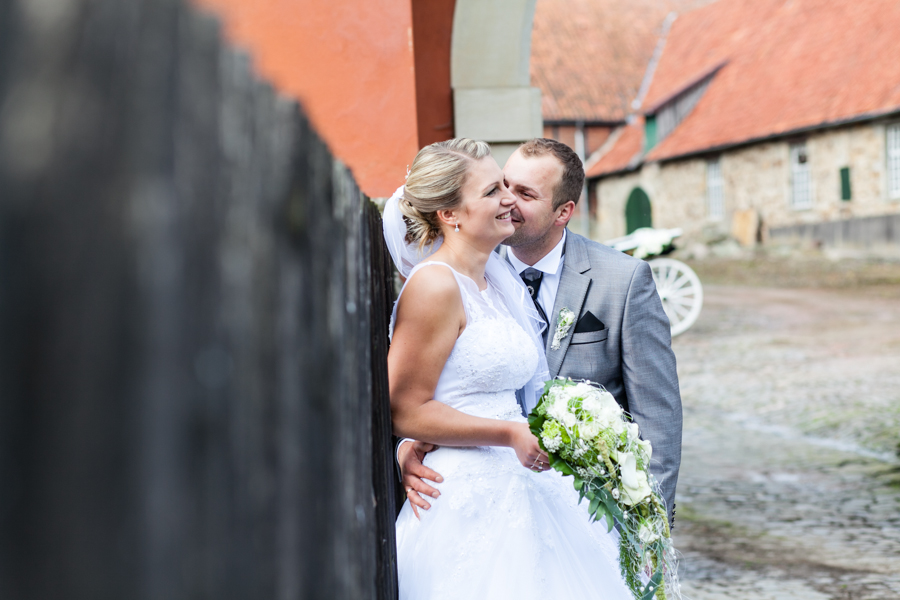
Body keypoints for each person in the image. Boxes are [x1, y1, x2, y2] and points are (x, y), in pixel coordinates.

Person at [385, 138, 634, 599]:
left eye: (506, 185)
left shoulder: (495, 281)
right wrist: (510, 434)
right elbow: (405, 409)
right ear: (450, 214)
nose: (507, 201)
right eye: (491, 191)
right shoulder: (435, 287)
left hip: (523, 484)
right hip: (465, 498)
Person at [398, 138, 682, 527]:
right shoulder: (466, 272)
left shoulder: (624, 281)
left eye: (524, 193)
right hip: (479, 495)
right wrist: (407, 445)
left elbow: (658, 414)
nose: (508, 201)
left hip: (594, 507)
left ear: (563, 212)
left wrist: (652, 522)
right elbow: (418, 390)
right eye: (502, 185)